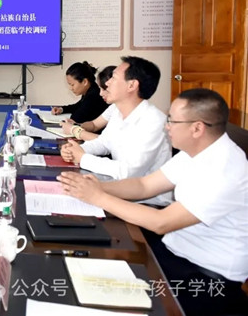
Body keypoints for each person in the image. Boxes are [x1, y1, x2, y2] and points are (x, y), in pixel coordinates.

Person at [58, 89, 248, 315]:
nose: (166, 127)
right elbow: (144, 185)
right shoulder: (196, 151)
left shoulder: (224, 168)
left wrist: (98, 197)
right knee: (86, 264)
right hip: (174, 251)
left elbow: (162, 222)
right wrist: (96, 187)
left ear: (197, 128)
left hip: (207, 277)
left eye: (172, 121)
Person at [60, 56, 172, 206]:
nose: (107, 83)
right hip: (118, 189)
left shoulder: (154, 122)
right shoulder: (118, 112)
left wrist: (83, 157)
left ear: (131, 85)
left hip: (148, 203)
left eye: (113, 77)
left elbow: (128, 172)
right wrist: (76, 150)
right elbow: (104, 143)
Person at [60, 65, 115, 141]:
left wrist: (75, 130)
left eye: (105, 89)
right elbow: (94, 125)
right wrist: (78, 125)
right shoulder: (113, 108)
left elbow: (107, 141)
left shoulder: (94, 94)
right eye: (100, 89)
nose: (101, 93)